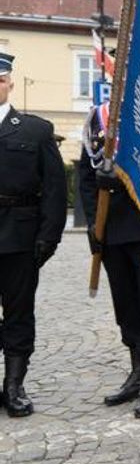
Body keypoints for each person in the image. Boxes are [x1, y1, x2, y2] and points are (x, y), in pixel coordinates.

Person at [79, 104, 140, 418]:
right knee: (127, 305)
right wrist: (94, 224)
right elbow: (85, 175)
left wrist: (121, 179)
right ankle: (136, 371)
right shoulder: (97, 118)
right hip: (112, 230)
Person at [0, 53, 66, 417]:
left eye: (0, 79)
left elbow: (55, 189)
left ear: (9, 83)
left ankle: (13, 386)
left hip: (19, 237)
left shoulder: (34, 130)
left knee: (19, 313)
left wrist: (48, 237)